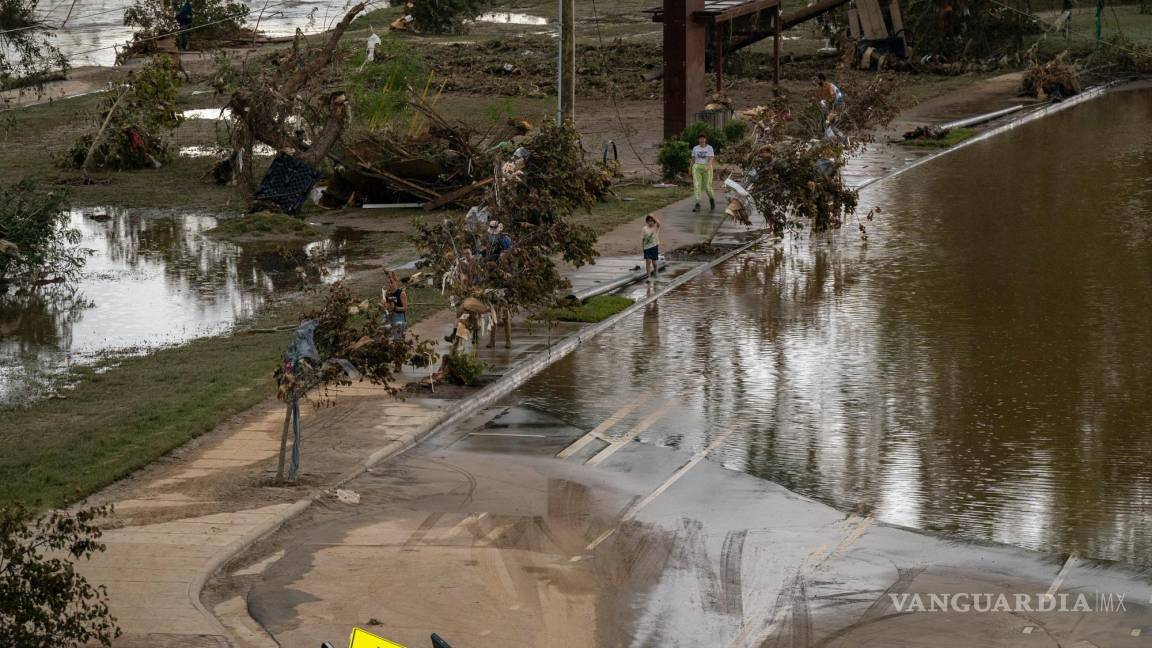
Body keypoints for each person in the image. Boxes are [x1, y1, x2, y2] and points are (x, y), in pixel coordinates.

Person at [690, 134, 715, 213]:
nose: (701, 140)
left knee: (707, 186)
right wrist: (690, 168)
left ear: (705, 139)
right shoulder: (695, 148)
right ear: (698, 140)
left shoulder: (709, 148)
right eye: (700, 138)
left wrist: (708, 167)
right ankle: (697, 204)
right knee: (697, 185)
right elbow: (693, 159)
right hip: (697, 168)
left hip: (707, 168)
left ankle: (712, 200)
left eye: (703, 138)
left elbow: (711, 159)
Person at [815, 73, 845, 138]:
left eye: (817, 79)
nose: (816, 81)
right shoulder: (822, 87)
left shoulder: (829, 86)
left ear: (821, 80)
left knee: (828, 123)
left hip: (838, 105)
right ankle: (835, 137)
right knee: (826, 122)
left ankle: (842, 137)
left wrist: (826, 103)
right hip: (835, 105)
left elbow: (833, 98)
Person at [641, 214, 661, 281]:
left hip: (654, 246)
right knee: (648, 262)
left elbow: (658, 223)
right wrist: (643, 247)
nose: (650, 222)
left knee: (654, 262)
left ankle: (655, 271)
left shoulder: (655, 228)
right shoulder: (644, 228)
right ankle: (648, 277)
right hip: (647, 248)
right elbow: (643, 239)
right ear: (647, 222)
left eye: (652, 221)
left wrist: (653, 217)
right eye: (649, 221)